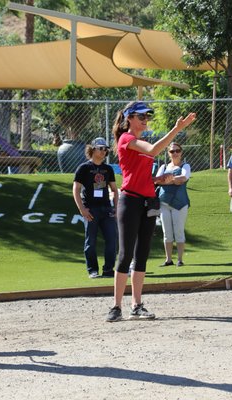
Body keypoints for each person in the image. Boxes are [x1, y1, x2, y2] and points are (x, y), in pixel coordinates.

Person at [106, 101, 196, 322]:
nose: (145, 120)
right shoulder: (127, 139)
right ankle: (116, 307)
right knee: (126, 254)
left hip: (149, 201)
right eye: (141, 116)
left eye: (147, 117)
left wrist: (158, 180)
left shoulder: (140, 141)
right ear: (130, 119)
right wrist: (177, 129)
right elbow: (155, 150)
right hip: (130, 201)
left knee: (142, 254)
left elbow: (142, 175)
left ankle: (137, 305)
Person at [73, 137, 119, 279]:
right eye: (101, 148)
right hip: (91, 209)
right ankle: (92, 270)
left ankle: (108, 270)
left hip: (106, 209)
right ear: (92, 149)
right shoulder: (83, 168)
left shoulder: (108, 169)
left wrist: (116, 208)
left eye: (106, 149)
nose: (104, 151)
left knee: (112, 240)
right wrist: (82, 209)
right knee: (90, 242)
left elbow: (114, 190)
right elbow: (75, 189)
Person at [156, 142, 190, 267]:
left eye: (177, 151)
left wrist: (168, 180)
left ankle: (180, 260)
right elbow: (158, 180)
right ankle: (168, 259)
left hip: (179, 203)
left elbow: (183, 179)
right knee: (167, 233)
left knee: (179, 231)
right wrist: (173, 180)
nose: (175, 153)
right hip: (164, 203)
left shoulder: (185, 166)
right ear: (168, 153)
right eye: (172, 151)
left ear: (181, 152)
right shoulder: (164, 167)